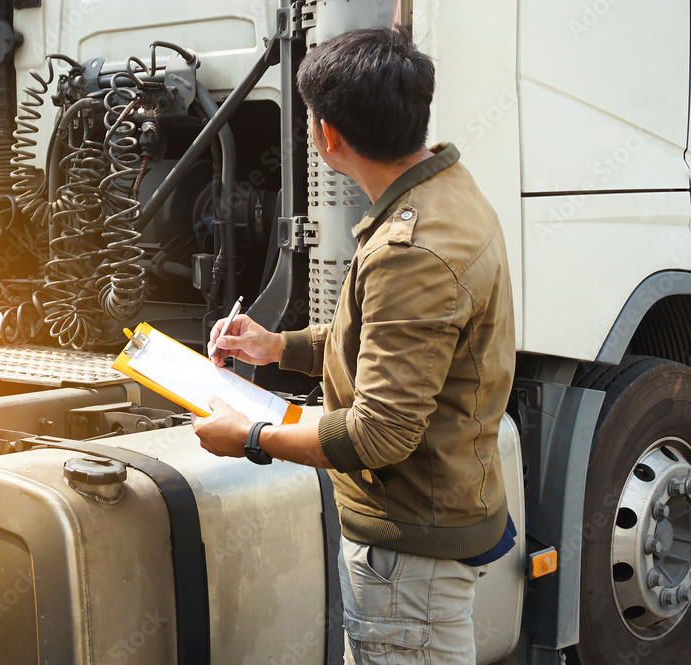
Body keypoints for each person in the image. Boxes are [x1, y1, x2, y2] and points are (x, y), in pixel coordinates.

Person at [192, 27, 516, 665]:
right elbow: (394, 347)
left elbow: (380, 434)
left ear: (326, 135)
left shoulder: (411, 251)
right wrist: (276, 345)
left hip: (407, 558)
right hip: (429, 536)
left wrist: (250, 438)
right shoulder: (447, 188)